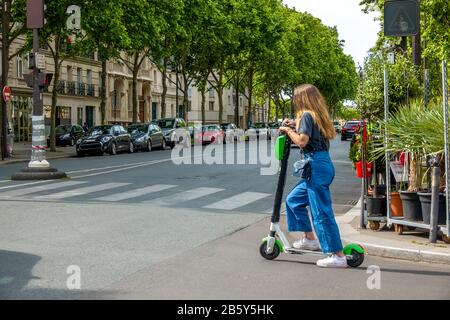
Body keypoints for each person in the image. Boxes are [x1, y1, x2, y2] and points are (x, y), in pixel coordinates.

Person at [278, 84, 346, 268]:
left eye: (295, 97)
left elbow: (302, 141)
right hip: (319, 164)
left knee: (321, 212)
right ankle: (310, 239)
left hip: (316, 166)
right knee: (293, 201)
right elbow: (308, 133)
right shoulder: (315, 116)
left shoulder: (307, 115)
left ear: (303, 98)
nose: (293, 100)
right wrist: (295, 125)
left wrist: (288, 130)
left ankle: (337, 255)